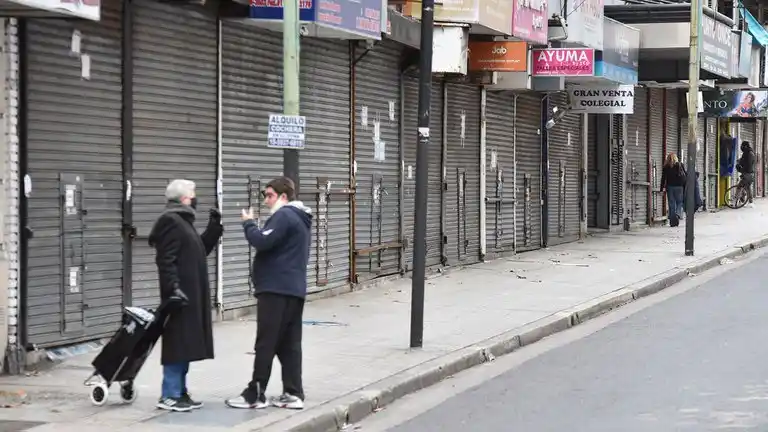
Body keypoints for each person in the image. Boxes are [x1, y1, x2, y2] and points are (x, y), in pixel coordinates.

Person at [226, 177, 312, 410]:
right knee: (288, 344)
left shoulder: (285, 215)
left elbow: (262, 241)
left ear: (284, 197)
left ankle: (255, 394)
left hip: (276, 290)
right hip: (293, 290)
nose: (266, 201)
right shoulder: (300, 218)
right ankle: (293, 393)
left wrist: (248, 223)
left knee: (266, 342)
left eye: (270, 195)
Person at [148, 179, 223, 412]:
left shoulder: (183, 221)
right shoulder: (171, 221)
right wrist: (172, 289)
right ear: (183, 199)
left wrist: (213, 228)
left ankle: (180, 391)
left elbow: (199, 250)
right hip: (179, 296)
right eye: (192, 194)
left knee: (186, 343)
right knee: (177, 343)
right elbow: (165, 259)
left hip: (190, 294)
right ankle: (169, 395)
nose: (195, 198)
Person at [660, 152, 686, 227]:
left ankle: (673, 222)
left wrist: (661, 189)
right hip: (679, 187)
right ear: (676, 158)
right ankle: (677, 213)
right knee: (680, 202)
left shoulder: (666, 167)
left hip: (670, 187)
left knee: (671, 204)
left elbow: (663, 178)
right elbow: (685, 175)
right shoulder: (680, 165)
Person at [736, 140, 756, 207]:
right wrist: (739, 161)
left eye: (742, 146)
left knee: (742, 186)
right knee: (745, 187)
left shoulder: (748, 153)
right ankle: (744, 201)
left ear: (745, 146)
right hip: (748, 173)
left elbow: (748, 164)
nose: (741, 147)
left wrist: (741, 168)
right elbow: (743, 161)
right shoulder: (748, 152)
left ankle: (742, 201)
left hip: (747, 173)